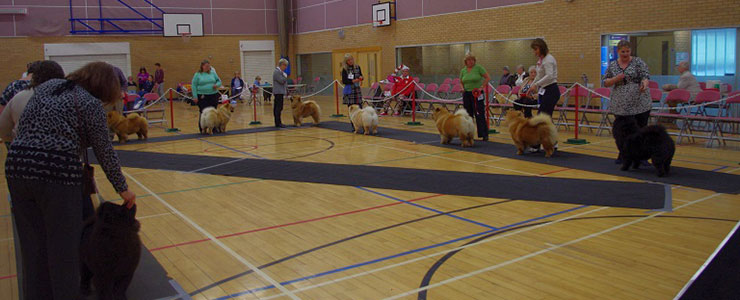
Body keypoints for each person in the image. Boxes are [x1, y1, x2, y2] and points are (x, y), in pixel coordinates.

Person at [6, 62, 136, 299]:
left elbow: (21, 127)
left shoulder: (48, 88)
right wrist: (123, 189)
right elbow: (104, 150)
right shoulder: (90, 104)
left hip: (17, 167)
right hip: (57, 173)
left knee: (33, 250)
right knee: (63, 252)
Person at [604, 40, 652, 164]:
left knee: (641, 129)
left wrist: (644, 84)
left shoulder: (638, 62)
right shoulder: (613, 65)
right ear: (618, 51)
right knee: (623, 130)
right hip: (620, 104)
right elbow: (605, 82)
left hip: (639, 101)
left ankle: (642, 156)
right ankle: (623, 154)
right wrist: (616, 78)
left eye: (627, 51)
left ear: (630, 51)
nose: (625, 54)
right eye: (622, 51)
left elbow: (645, 76)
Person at [0, 60, 65, 144]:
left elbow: (3, 125)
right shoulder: (65, 95)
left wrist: (16, 139)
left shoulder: (15, 90)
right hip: (57, 147)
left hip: (21, 146)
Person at [460, 53, 491, 141]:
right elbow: (461, 81)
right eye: (469, 60)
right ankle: (468, 134)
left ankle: (484, 134)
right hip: (466, 93)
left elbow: (487, 77)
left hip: (477, 94)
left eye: (472, 60)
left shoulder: (479, 68)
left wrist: (481, 87)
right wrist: (462, 88)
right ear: (466, 61)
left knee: (479, 113)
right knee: (468, 114)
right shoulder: (463, 70)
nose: (470, 61)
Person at [192, 60, 222, 132]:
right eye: (206, 66)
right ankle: (203, 128)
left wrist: (217, 85)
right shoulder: (197, 74)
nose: (208, 67)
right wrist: (195, 96)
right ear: (202, 66)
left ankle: (213, 128)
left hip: (213, 95)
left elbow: (219, 81)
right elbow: (194, 85)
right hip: (202, 96)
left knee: (213, 112)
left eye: (209, 66)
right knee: (204, 111)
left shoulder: (213, 73)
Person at [341, 54, 364, 130]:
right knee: (352, 110)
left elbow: (361, 75)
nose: (351, 61)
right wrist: (353, 81)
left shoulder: (357, 67)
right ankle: (354, 126)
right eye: (349, 60)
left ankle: (363, 124)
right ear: (346, 61)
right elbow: (344, 81)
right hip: (350, 90)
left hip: (357, 90)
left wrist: (361, 77)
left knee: (360, 108)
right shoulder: (344, 69)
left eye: (351, 59)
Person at [273, 58, 289, 128]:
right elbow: (281, 81)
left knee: (279, 108)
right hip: (278, 92)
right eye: (285, 66)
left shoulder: (280, 72)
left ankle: (278, 122)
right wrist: (285, 77)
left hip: (281, 92)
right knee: (278, 108)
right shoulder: (277, 72)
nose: (285, 68)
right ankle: (278, 123)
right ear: (282, 65)